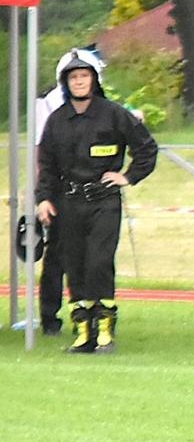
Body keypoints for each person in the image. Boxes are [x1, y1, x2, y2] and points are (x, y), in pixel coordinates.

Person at [34, 50, 158, 352]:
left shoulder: (113, 113)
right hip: (68, 202)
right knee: (74, 264)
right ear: (66, 83)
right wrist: (44, 200)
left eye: (84, 76)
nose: (79, 82)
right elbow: (47, 165)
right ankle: (82, 330)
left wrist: (127, 176)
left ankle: (104, 329)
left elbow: (146, 149)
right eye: (73, 77)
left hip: (104, 200)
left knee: (99, 262)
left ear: (94, 80)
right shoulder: (56, 120)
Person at [31, 47, 111, 334]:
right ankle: (50, 317)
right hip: (61, 190)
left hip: (93, 193)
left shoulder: (101, 106)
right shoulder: (49, 106)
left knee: (92, 257)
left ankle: (89, 316)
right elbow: (44, 155)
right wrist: (44, 197)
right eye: (74, 76)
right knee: (57, 257)